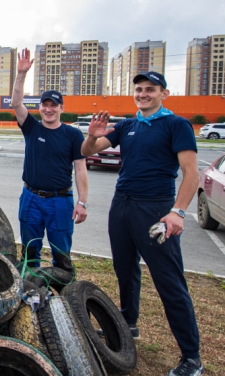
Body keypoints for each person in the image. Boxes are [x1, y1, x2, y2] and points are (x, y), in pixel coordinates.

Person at [81, 71, 203, 376]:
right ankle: (128, 323)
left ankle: (192, 358)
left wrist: (178, 212)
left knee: (169, 282)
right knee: (124, 268)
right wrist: (93, 134)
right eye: (139, 89)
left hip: (155, 211)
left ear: (164, 93)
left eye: (151, 89)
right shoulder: (128, 125)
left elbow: (191, 174)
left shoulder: (176, 125)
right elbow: (87, 152)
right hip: (121, 206)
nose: (143, 93)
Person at [11, 50, 88, 271]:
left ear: (62, 108)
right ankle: (31, 294)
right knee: (29, 253)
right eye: (45, 104)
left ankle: (64, 293)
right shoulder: (31, 128)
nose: (48, 109)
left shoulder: (73, 135)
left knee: (61, 255)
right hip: (31, 198)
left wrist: (82, 202)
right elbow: (16, 103)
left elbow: (81, 169)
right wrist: (21, 74)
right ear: (40, 107)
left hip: (60, 201)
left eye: (54, 105)